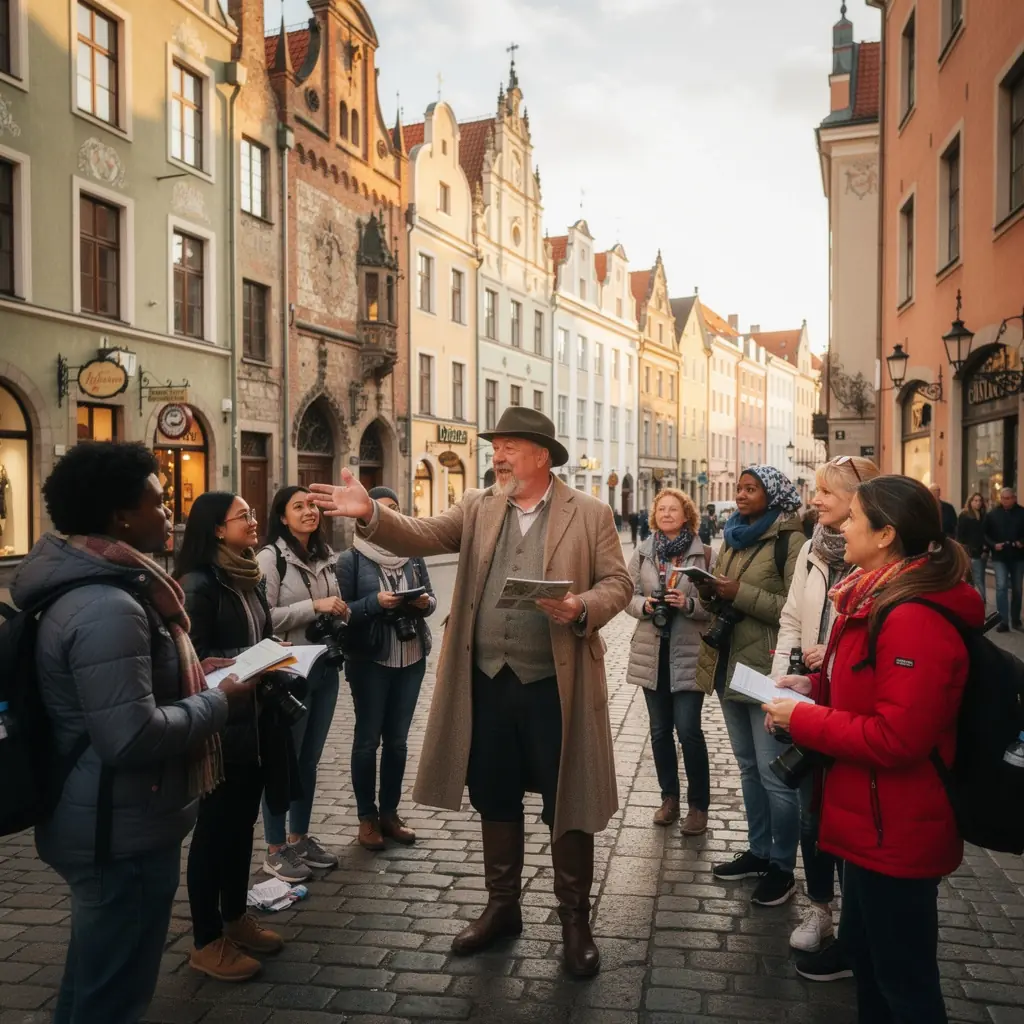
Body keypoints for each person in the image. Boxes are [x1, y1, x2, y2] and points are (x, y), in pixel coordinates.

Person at [311, 407, 632, 978]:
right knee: (495, 792)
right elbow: (423, 533)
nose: (498, 455)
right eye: (496, 447)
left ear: (541, 456)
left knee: (569, 802)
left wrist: (583, 605)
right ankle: (502, 907)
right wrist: (372, 514)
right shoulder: (480, 507)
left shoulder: (590, 513)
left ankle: (575, 920)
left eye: (509, 447)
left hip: (555, 686)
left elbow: (619, 582)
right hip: (486, 681)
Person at [11, 442, 253, 1024]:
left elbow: (126, 690)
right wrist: (215, 702)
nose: (170, 513)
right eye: (159, 502)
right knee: (114, 994)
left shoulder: (105, 589)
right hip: (117, 826)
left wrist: (200, 674)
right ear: (121, 515)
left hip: (108, 815)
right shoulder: (109, 605)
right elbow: (129, 735)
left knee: (93, 977)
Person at [765, 475, 983, 1023]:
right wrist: (813, 689)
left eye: (854, 518)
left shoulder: (910, 614)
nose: (840, 524)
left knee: (903, 983)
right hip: (869, 823)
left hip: (897, 829)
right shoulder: (878, 594)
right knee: (871, 964)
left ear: (886, 534)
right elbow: (872, 690)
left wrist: (808, 719)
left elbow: (898, 737)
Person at [177, 493, 301, 982]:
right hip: (221, 730)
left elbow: (259, 636)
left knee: (241, 826)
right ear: (215, 529)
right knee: (213, 834)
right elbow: (194, 659)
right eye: (243, 516)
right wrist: (248, 659)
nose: (253, 522)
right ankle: (207, 940)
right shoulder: (199, 585)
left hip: (255, 725)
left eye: (251, 515)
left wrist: (275, 655)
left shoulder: (246, 575)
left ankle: (235, 918)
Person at [769, 455, 879, 964]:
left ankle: (858, 923)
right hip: (808, 695)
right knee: (813, 814)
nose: (815, 500)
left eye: (826, 493)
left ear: (858, 500)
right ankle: (820, 910)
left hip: (850, 703)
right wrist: (781, 683)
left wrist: (831, 655)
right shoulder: (813, 549)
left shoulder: (876, 561)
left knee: (850, 815)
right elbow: (792, 615)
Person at [695, 465, 805, 907]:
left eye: (750, 489)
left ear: (773, 494)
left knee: (774, 774)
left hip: (765, 671)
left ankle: (783, 865)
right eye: (738, 488)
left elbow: (794, 610)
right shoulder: (734, 534)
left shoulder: (789, 542)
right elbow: (723, 594)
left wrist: (737, 591)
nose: (740, 495)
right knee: (746, 767)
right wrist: (707, 590)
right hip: (728, 668)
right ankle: (759, 851)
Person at [337, 486, 436, 851]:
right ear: (365, 516)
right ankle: (367, 818)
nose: (389, 518)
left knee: (397, 742)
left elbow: (432, 599)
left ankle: (390, 814)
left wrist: (424, 603)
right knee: (367, 742)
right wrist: (374, 603)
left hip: (411, 658)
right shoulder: (351, 560)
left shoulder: (412, 554)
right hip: (370, 661)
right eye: (382, 510)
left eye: (395, 510)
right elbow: (342, 611)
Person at [256, 486, 346, 882]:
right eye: (299, 507)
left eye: (312, 505)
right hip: (289, 673)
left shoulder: (326, 556)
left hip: (324, 669)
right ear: (282, 517)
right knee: (283, 762)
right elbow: (264, 617)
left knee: (308, 761)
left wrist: (339, 612)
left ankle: (300, 837)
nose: (310, 511)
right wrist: (315, 607)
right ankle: (275, 848)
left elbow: (335, 602)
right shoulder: (270, 558)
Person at [626, 488, 712, 835]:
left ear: (686, 514)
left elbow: (715, 604)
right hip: (653, 652)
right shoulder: (644, 552)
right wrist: (643, 605)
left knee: (688, 731)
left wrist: (688, 605)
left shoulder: (704, 554)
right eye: (661, 509)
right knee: (660, 732)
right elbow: (625, 593)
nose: (666, 513)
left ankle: (698, 807)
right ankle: (669, 799)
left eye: (673, 509)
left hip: (689, 653)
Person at [984, 487, 1024, 631]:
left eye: (1008, 498)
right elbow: (985, 534)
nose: (1005, 501)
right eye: (1003, 498)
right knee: (1001, 587)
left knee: (1017, 589)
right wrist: (993, 545)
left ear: (1014, 498)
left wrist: (1021, 542)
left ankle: (1015, 619)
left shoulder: (1021, 513)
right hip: (999, 557)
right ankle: (1003, 621)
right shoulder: (993, 514)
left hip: (1018, 557)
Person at [957, 493, 988, 609]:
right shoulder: (964, 516)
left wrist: (986, 549)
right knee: (971, 580)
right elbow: (960, 536)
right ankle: (976, 604)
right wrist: (964, 551)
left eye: (980, 500)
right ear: (970, 502)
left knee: (979, 579)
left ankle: (980, 604)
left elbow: (986, 535)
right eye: (975, 500)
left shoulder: (984, 516)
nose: (978, 503)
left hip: (981, 553)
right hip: (969, 552)